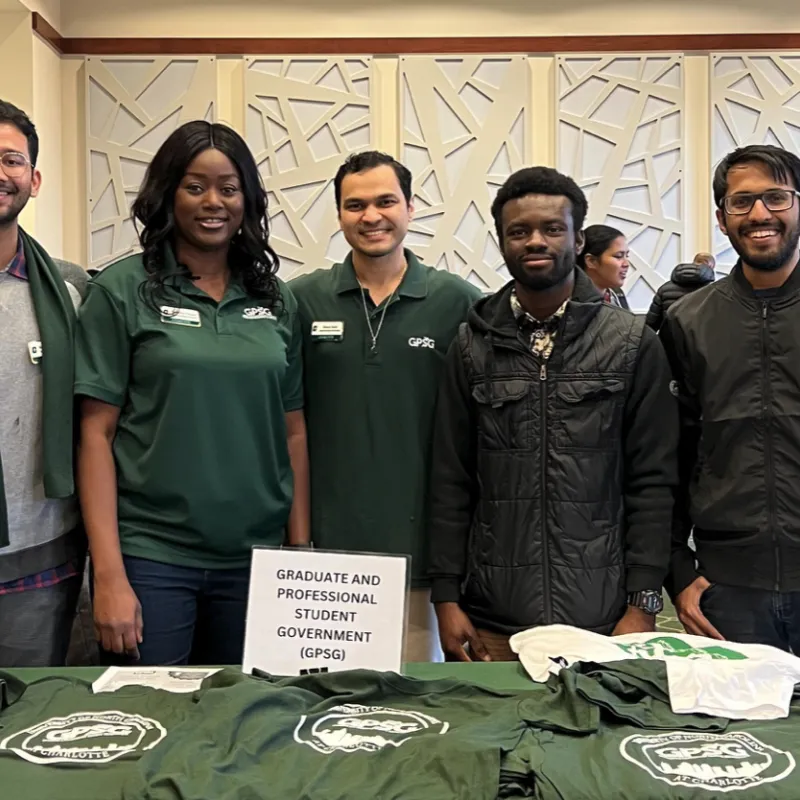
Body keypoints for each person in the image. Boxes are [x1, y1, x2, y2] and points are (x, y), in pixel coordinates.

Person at [75, 120, 310, 666]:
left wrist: (300, 552)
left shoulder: (276, 299)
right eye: (195, 186)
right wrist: (107, 574)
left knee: (249, 727)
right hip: (153, 558)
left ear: (247, 200)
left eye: (229, 188)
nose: (214, 202)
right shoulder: (121, 290)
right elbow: (95, 433)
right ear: (167, 193)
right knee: (150, 727)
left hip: (259, 560)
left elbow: (293, 429)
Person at [428, 166, 678, 662]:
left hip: (604, 621)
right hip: (493, 621)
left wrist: (644, 602)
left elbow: (653, 482)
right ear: (502, 243)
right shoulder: (471, 347)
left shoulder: (632, 344)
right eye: (518, 232)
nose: (535, 241)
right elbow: (450, 480)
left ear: (577, 238)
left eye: (552, 229)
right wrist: (446, 597)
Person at [290, 151, 483, 662]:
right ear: (338, 215)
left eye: (385, 201)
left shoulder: (458, 303)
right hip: (323, 557)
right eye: (355, 205)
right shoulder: (300, 302)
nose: (371, 216)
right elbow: (285, 427)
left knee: (415, 710)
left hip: (425, 556)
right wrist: (298, 542)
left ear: (411, 208)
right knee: (322, 711)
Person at [661, 144, 800, 652]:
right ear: (722, 219)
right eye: (742, 202)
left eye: (776, 197)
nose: (760, 213)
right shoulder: (688, 321)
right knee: (735, 733)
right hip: (728, 589)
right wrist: (677, 569)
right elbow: (668, 453)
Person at [0, 101, 88, 667]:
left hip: (39, 564)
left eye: (10, 159)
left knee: (30, 734)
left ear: (33, 179)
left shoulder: (72, 292)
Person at [645, 252, 716, 331]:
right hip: (700, 342)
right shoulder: (714, 291)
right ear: (710, 266)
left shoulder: (664, 289)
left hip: (669, 341)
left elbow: (650, 326)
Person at [577, 223, 631, 308]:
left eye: (626, 256)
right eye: (618, 256)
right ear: (591, 261)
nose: (626, 264)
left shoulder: (617, 294)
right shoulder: (567, 302)